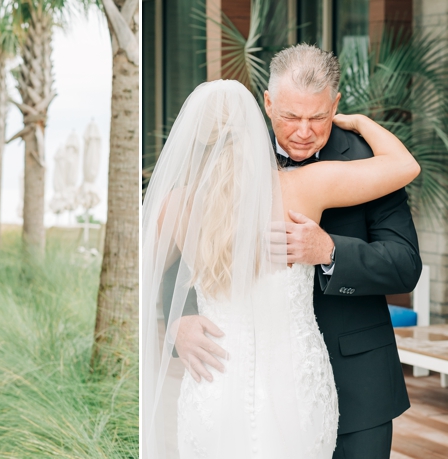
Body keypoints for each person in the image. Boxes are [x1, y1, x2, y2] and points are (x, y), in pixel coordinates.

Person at [140, 50, 421, 457]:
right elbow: (166, 273)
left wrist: (328, 250)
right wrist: (176, 319)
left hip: (353, 383)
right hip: (230, 379)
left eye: (318, 118)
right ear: (266, 106)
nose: (304, 132)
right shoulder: (300, 185)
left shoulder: (359, 159)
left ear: (335, 105)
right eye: (291, 117)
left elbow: (405, 264)